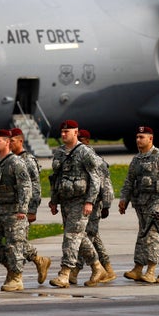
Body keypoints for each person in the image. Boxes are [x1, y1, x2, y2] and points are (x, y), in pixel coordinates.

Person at [118, 126, 159, 284]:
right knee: (146, 235)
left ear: (150, 139)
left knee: (153, 234)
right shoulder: (136, 159)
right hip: (142, 203)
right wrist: (124, 199)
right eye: (137, 137)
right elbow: (129, 181)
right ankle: (157, 269)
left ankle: (151, 270)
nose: (138, 140)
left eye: (142, 137)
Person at [48, 120, 107, 288]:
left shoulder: (85, 152)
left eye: (68, 131)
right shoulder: (59, 152)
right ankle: (97, 267)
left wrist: (90, 201)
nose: (64, 134)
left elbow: (96, 179)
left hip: (81, 201)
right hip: (65, 201)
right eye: (63, 131)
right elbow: (55, 178)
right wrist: (54, 200)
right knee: (79, 237)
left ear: (76, 132)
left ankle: (65, 273)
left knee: (71, 236)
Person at [0, 129, 32, 291]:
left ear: (7, 142)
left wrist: (23, 209)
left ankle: (16, 277)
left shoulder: (16, 163)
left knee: (14, 244)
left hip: (14, 209)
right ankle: (12, 268)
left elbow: (26, 186)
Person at [71, 129, 116, 284]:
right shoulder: (73, 157)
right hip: (78, 204)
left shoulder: (94, 159)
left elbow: (105, 183)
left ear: (87, 141)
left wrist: (107, 205)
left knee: (86, 237)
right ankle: (108, 269)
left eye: (82, 139)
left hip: (93, 204)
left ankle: (75, 270)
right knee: (93, 238)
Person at [9, 127, 52, 284]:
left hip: (24, 209)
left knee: (17, 241)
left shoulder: (28, 160)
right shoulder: (8, 159)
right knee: (13, 240)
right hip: (9, 207)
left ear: (20, 141)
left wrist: (32, 209)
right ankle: (38, 260)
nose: (9, 144)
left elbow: (35, 186)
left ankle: (16, 276)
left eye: (12, 141)